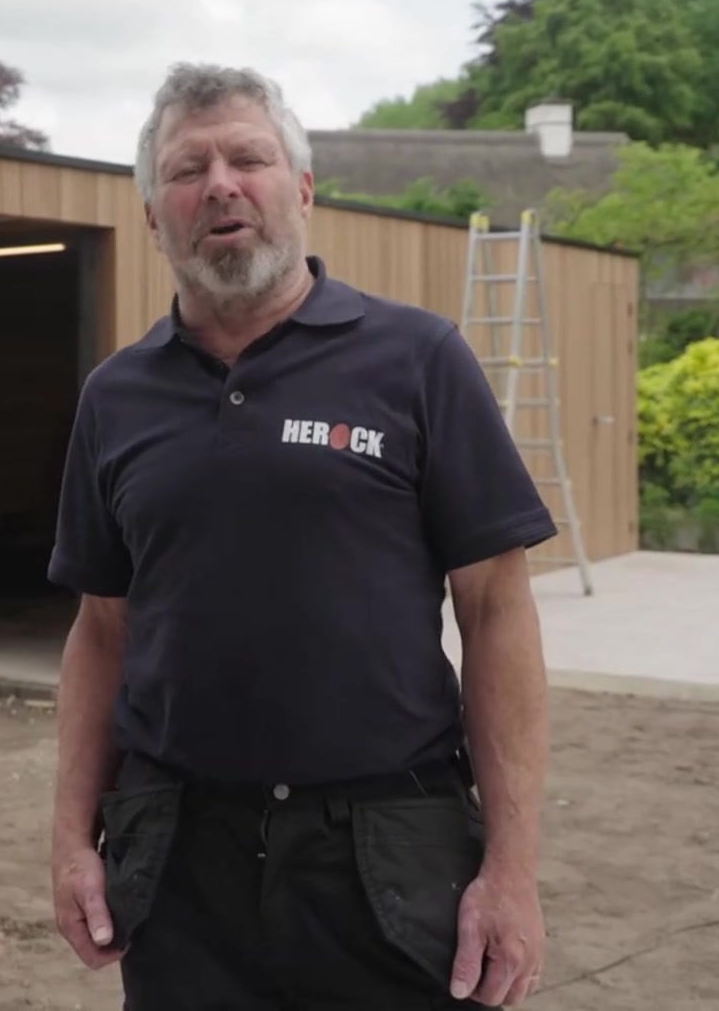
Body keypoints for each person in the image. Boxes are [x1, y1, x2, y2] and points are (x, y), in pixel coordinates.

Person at [46, 61, 556, 1009]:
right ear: (153, 216)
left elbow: (495, 610)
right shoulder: (115, 397)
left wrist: (512, 870)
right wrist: (72, 839)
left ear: (304, 189)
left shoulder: (418, 359)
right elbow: (101, 631)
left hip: (389, 851)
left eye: (249, 159)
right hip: (180, 859)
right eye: (187, 169)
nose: (221, 186)